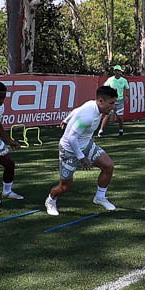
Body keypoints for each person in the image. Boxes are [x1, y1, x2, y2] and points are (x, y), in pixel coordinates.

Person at [46, 86, 120, 215]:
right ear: (101, 101)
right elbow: (71, 137)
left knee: (108, 166)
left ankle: (100, 198)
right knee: (65, 186)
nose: (113, 107)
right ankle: (50, 200)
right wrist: (81, 158)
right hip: (69, 150)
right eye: (111, 103)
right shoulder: (88, 117)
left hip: (87, 145)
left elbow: (76, 110)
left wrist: (66, 120)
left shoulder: (91, 104)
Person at [97, 65, 129, 137]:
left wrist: (126, 96)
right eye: (115, 70)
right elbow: (104, 87)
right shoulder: (110, 79)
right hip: (110, 101)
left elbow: (127, 88)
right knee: (107, 115)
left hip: (120, 100)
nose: (117, 72)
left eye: (118, 70)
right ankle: (101, 130)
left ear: (120, 72)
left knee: (120, 117)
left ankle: (121, 130)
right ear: (114, 71)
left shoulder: (124, 80)